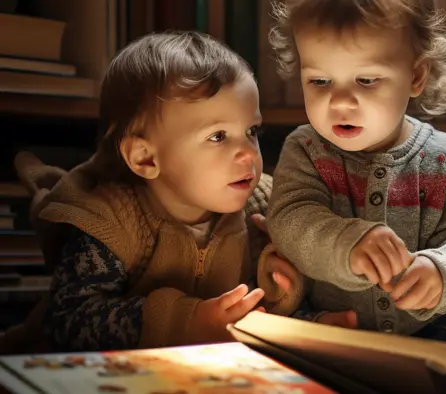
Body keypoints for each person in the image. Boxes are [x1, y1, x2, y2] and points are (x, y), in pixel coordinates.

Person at [0, 31, 300, 353]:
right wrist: (188, 322)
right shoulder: (111, 219)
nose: (248, 154)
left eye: (251, 131)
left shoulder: (263, 207)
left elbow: (257, 315)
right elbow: (69, 319)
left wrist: (289, 299)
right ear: (145, 157)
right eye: (218, 136)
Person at [264, 0, 446, 351]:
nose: (339, 102)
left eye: (366, 80)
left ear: (415, 77)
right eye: (319, 81)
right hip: (331, 324)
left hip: (433, 326)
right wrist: (346, 243)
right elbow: (290, 220)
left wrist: (443, 271)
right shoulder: (306, 149)